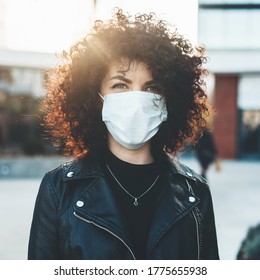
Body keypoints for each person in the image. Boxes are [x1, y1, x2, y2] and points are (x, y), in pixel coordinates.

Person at [28, 8, 219, 260]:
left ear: (168, 100)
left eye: (151, 87)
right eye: (120, 85)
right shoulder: (58, 189)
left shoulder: (195, 192)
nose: (136, 99)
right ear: (96, 98)